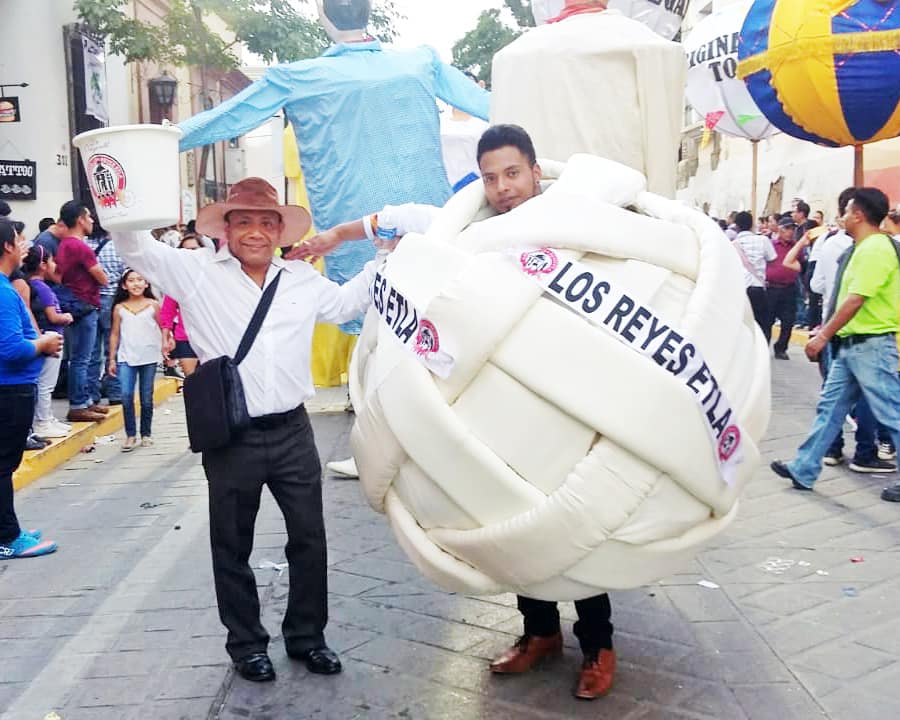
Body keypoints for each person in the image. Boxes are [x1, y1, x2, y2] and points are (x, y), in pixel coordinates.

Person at [291, 124, 618, 700]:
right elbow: (392, 219)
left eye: (512, 173)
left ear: (535, 171)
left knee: (572, 527)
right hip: (498, 401)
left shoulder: (576, 221)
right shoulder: (468, 226)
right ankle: (539, 632)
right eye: (491, 177)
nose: (503, 187)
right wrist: (332, 239)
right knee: (512, 515)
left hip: (567, 395)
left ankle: (599, 645)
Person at [114, 176, 389, 683]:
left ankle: (308, 637)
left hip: (292, 432)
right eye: (244, 221)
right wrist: (124, 192)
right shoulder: (195, 272)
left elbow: (349, 304)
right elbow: (134, 246)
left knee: (309, 537)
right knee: (231, 543)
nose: (256, 232)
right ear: (226, 228)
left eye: (267, 222)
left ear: (280, 231)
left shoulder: (301, 280)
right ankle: (246, 645)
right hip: (231, 434)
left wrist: (384, 253)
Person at [770, 187, 900, 500]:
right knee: (830, 409)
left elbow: (856, 299)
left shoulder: (876, 249)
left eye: (846, 211)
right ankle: (804, 467)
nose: (841, 217)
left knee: (892, 413)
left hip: (870, 344)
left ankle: (805, 467)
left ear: (859, 214)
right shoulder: (862, 247)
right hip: (852, 344)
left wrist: (824, 334)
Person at [0, 219, 61, 559]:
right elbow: (11, 349)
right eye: (19, 239)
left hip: (11, 388)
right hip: (9, 390)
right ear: (7, 246)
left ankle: (8, 528)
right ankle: (8, 536)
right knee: (3, 466)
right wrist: (44, 343)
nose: (25, 244)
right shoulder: (5, 293)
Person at [55, 201, 109, 423]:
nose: (92, 220)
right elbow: (102, 278)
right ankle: (78, 404)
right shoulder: (79, 246)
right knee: (82, 358)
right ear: (79, 219)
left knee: (82, 357)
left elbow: (58, 274)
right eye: (89, 216)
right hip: (84, 305)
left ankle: (86, 401)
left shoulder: (65, 245)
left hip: (77, 304)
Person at [107, 269, 162, 452]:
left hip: (149, 356)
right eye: (131, 280)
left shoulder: (153, 305)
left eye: (140, 279)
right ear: (124, 285)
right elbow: (115, 334)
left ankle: (146, 433)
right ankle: (131, 434)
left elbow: (163, 328)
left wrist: (167, 347)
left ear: (146, 283)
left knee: (146, 397)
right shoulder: (119, 308)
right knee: (126, 395)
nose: (136, 284)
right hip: (126, 356)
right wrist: (111, 358)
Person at [23, 246, 74, 439]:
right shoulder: (42, 288)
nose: (54, 265)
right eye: (51, 261)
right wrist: (66, 316)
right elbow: (53, 316)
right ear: (43, 265)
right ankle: (42, 420)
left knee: (45, 383)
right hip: (51, 336)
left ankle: (47, 417)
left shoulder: (34, 286)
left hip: (50, 336)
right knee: (46, 383)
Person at [87, 223, 125, 406]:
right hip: (112, 300)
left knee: (92, 351)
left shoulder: (85, 245)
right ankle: (115, 392)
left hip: (91, 301)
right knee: (113, 347)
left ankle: (92, 394)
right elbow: (124, 274)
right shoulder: (115, 246)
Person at [160, 235, 202, 377]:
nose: (190, 254)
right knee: (192, 382)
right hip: (185, 337)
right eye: (185, 251)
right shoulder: (176, 279)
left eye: (194, 249)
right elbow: (168, 310)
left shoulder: (214, 276)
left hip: (211, 336)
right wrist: (166, 338)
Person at [731, 211, 775, 339]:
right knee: (763, 323)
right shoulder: (763, 240)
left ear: (736, 226)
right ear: (752, 225)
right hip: (758, 286)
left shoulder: (732, 244)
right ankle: (763, 351)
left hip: (741, 289)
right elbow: (772, 258)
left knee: (743, 324)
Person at [766, 217, 800, 359]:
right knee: (767, 320)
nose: (790, 232)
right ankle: (763, 346)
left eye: (792, 229)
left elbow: (802, 264)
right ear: (780, 229)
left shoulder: (796, 247)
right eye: (787, 229)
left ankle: (781, 348)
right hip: (771, 288)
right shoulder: (770, 245)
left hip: (789, 288)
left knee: (788, 321)